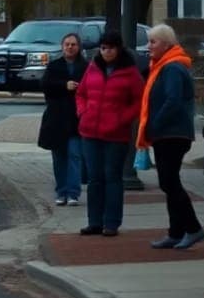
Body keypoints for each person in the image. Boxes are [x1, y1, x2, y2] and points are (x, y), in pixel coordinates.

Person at [136, 24, 204, 250]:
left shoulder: (172, 68)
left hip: (172, 134)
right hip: (167, 133)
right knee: (169, 182)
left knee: (169, 182)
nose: (149, 47)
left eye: (153, 42)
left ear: (166, 44)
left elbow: (172, 101)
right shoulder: (163, 66)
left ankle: (193, 229)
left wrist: (154, 125)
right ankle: (176, 232)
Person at [76, 30, 143, 237]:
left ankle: (111, 222)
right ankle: (94, 221)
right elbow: (81, 93)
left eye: (110, 48)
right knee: (94, 179)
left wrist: (121, 119)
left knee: (112, 177)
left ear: (118, 48)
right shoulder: (93, 67)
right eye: (103, 48)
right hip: (90, 132)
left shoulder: (130, 72)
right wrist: (83, 112)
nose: (106, 52)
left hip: (116, 135)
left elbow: (139, 101)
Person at [39, 33, 89, 206]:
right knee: (59, 157)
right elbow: (45, 85)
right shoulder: (54, 66)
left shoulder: (86, 67)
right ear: (62, 46)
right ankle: (61, 191)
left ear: (78, 47)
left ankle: (73, 193)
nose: (70, 47)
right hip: (56, 120)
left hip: (76, 119)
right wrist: (64, 85)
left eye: (73, 44)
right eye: (67, 44)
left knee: (75, 155)